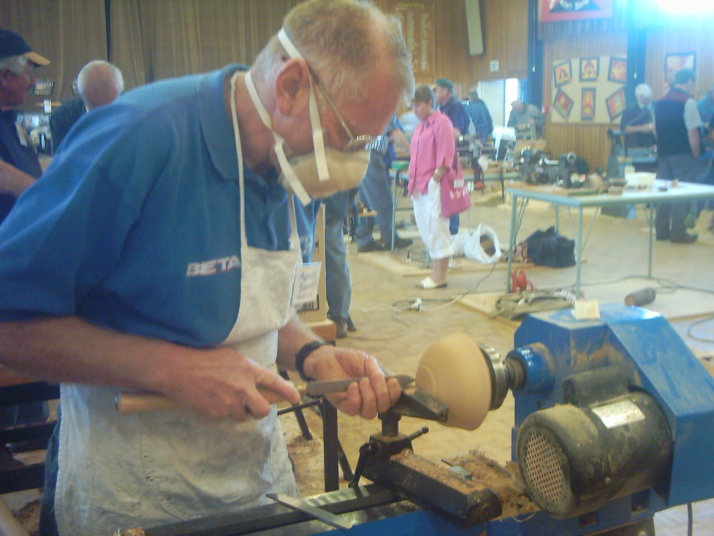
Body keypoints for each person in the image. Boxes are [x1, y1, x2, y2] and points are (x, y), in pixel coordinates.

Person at [0, 1, 413, 534]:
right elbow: (9, 325)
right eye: (350, 137)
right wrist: (173, 369)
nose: (354, 161)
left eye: (367, 143)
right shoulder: (139, 138)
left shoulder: (293, 161)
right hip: (135, 499)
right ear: (291, 86)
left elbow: (254, 301)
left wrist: (312, 354)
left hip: (256, 483)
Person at [0, 28, 51, 460]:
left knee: (30, 348)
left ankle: (29, 436)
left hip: (23, 258)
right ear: (3, 75)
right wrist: (46, 194)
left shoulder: (12, 122)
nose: (33, 82)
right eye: (27, 72)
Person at [407, 85, 460, 289]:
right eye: (413, 106)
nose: (415, 110)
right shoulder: (420, 126)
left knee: (437, 227)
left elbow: (447, 153)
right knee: (426, 228)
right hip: (418, 184)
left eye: (419, 105)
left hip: (434, 183)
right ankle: (435, 272)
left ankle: (441, 276)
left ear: (430, 103)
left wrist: (435, 179)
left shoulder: (442, 122)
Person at [654, 68, 710, 243]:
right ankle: (678, 232)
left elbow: (655, 129)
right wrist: (696, 154)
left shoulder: (659, 101)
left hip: (663, 153)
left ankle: (661, 230)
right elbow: (692, 132)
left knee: (663, 191)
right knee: (681, 193)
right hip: (683, 153)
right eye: (692, 83)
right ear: (689, 82)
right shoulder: (688, 102)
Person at [355, 115, 412, 252]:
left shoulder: (366, 106)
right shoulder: (382, 108)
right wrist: (412, 151)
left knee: (365, 202)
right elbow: (393, 132)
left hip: (360, 154)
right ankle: (390, 238)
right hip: (371, 155)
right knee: (383, 200)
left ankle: (364, 240)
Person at [50, 60, 124, 150]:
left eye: (109, 105)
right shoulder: (62, 118)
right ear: (80, 94)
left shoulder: (132, 114)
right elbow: (62, 157)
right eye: (95, 104)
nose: (101, 113)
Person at [433, 77, 468, 235]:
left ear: (445, 91)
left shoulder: (456, 107)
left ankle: (452, 232)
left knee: (451, 193)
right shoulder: (441, 108)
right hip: (441, 157)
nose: (434, 93)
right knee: (442, 195)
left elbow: (456, 132)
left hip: (451, 159)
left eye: (436, 90)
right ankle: (444, 230)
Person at [323, 190, 356, 339]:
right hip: (332, 200)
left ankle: (338, 317)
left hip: (304, 199)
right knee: (335, 258)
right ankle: (339, 317)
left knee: (333, 259)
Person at [620, 83, 656, 152]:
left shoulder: (657, 107)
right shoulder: (629, 110)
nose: (646, 100)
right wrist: (642, 128)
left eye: (648, 97)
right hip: (635, 147)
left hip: (654, 146)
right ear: (637, 96)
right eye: (644, 98)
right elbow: (624, 128)